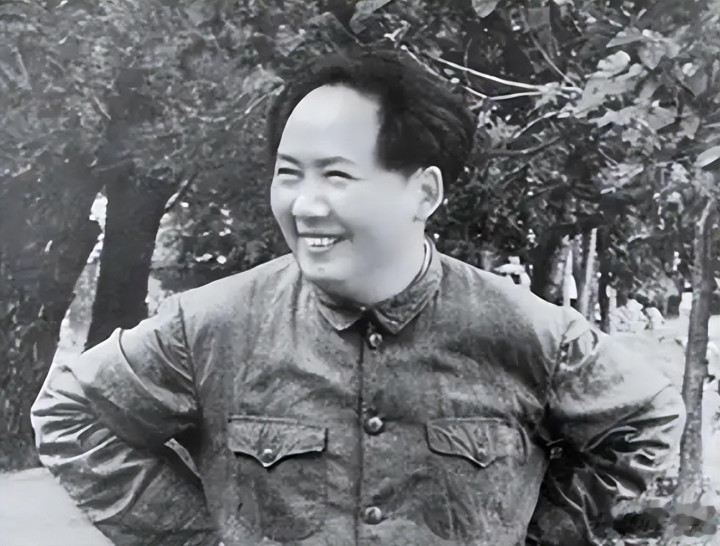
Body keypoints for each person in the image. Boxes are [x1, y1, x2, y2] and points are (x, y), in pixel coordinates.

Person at [31, 48, 685, 546]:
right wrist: (198, 536)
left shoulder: (528, 333)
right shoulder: (210, 326)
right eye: (290, 175)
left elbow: (647, 420)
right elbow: (70, 416)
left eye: (337, 176)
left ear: (424, 192)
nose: (305, 205)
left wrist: (542, 536)